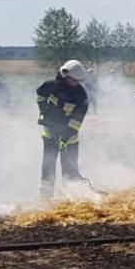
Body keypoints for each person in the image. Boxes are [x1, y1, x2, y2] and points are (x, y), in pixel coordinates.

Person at [35, 59, 91, 199]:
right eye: (73, 80)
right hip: (49, 134)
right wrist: (43, 110)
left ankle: (70, 196)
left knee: (69, 168)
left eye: (78, 81)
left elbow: (77, 121)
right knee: (48, 165)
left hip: (70, 138)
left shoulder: (80, 96)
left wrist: (66, 137)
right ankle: (45, 197)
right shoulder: (50, 86)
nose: (75, 83)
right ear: (65, 76)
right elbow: (41, 95)